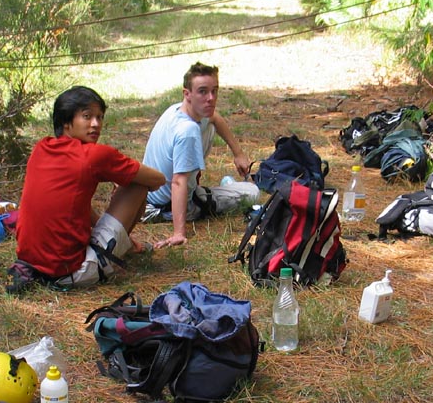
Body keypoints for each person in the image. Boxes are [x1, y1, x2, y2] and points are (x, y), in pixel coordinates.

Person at [14, 86, 165, 287]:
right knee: (138, 185)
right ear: (66, 122)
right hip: (71, 272)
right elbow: (158, 179)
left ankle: (123, 245)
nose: (96, 124)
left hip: (31, 264)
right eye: (87, 116)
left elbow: (73, 204)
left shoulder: (41, 148)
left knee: (124, 181)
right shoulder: (94, 156)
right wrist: (126, 180)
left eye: (100, 117)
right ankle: (117, 251)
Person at [142, 62, 257, 249]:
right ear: (187, 94)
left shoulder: (177, 110)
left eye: (215, 91)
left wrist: (239, 154)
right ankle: (229, 188)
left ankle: (226, 188)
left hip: (149, 195)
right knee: (252, 192)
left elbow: (215, 118)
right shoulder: (187, 131)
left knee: (208, 124)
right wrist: (179, 233)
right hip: (165, 206)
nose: (210, 98)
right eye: (203, 91)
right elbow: (178, 182)